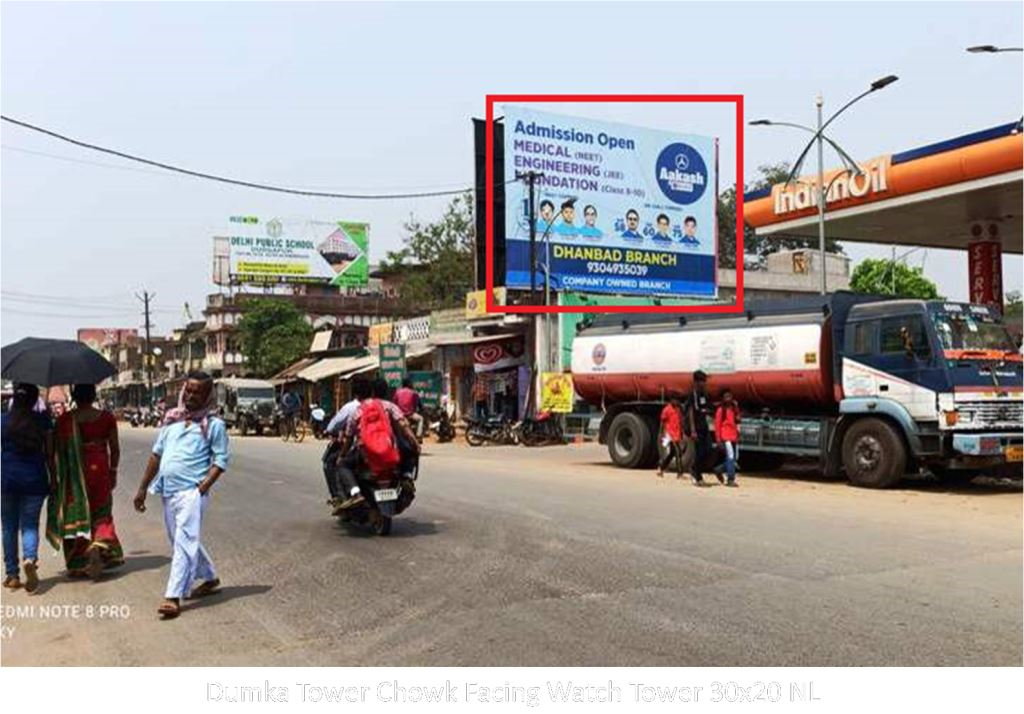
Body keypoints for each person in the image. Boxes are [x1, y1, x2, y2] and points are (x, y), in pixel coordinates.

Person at [134, 371, 229, 619]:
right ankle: (209, 576)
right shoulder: (172, 422)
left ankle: (173, 596)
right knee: (178, 537)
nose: (190, 396)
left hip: (191, 493)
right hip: (167, 491)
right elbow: (156, 455)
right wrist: (143, 488)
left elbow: (220, 461)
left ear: (207, 396)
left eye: (197, 392)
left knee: (183, 541)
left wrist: (201, 489)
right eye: (188, 390)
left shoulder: (214, 425)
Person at [49, 383, 124, 579]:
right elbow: (115, 448)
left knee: (77, 513)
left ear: (74, 396)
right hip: (99, 468)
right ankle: (99, 544)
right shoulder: (106, 418)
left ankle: (78, 562)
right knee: (102, 511)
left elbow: (55, 451)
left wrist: (56, 478)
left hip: (75, 473)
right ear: (93, 396)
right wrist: (113, 471)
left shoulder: (65, 420)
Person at [332, 379, 420, 513]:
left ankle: (356, 493)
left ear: (372, 392)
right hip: (390, 452)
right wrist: (415, 443)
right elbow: (404, 426)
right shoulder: (391, 407)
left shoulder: (360, 410)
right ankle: (407, 477)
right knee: (410, 452)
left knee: (343, 465)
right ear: (387, 392)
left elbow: (349, 437)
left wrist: (342, 455)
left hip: (365, 455)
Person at [1, 383, 53, 592]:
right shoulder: (42, 421)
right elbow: (50, 453)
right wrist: (55, 477)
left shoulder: (3, 420)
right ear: (34, 401)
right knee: (30, 525)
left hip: (7, 480)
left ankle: (12, 575)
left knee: (8, 527)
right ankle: (30, 558)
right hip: (34, 479)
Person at [684, 370, 713, 487]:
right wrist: (693, 430)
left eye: (704, 381)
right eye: (701, 381)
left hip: (704, 426)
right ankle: (696, 474)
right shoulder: (692, 395)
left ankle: (696, 471)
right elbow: (691, 412)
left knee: (708, 449)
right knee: (699, 452)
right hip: (696, 428)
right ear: (696, 382)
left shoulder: (704, 394)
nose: (703, 383)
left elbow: (707, 408)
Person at [714, 388, 741, 487]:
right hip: (725, 437)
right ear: (723, 399)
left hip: (733, 436)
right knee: (730, 457)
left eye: (730, 396)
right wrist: (718, 439)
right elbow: (717, 425)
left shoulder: (734, 409)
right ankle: (730, 479)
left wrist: (738, 434)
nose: (728, 399)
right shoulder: (721, 410)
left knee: (734, 459)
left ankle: (718, 469)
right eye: (726, 397)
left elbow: (738, 420)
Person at [656, 395, 686, 479]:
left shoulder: (678, 409)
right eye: (675, 400)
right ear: (671, 400)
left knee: (672, 454)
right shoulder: (666, 409)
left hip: (677, 433)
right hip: (670, 434)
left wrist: (682, 433)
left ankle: (661, 468)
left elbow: (680, 421)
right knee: (678, 452)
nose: (677, 402)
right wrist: (661, 433)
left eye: (678, 401)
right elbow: (662, 422)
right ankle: (680, 473)